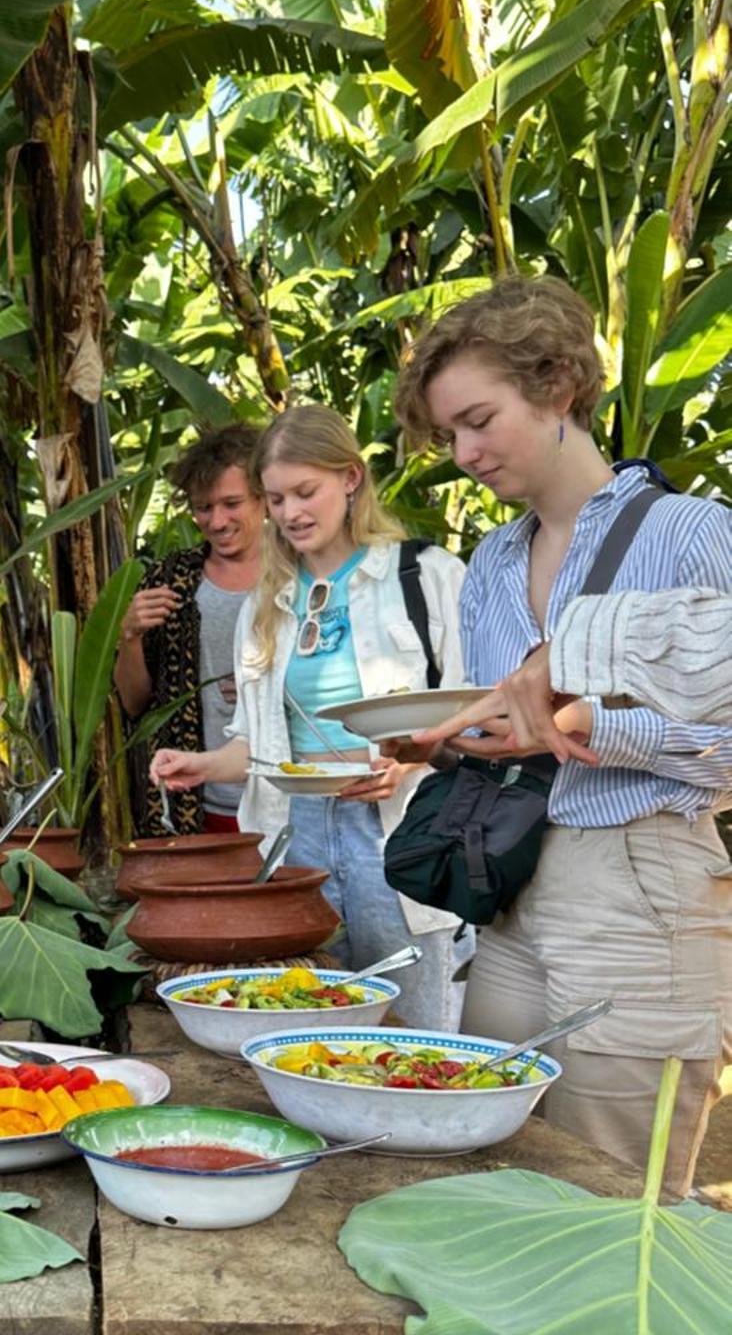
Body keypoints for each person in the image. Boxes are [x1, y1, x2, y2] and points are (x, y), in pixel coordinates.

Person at [394, 275, 732, 1335]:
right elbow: (512, 723)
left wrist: (585, 723)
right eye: (450, 436)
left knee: (637, 1197)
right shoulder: (485, 566)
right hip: (523, 886)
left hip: (645, 876)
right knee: (525, 1170)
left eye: (480, 421)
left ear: (556, 384)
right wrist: (449, 738)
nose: (468, 455)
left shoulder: (692, 536)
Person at [150, 405, 468, 1029]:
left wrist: (404, 766)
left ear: (350, 478)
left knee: (414, 1023)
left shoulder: (424, 576)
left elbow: (473, 718)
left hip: (399, 829)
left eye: (306, 491)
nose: (291, 512)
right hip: (297, 833)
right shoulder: (267, 604)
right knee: (309, 1021)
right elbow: (258, 747)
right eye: (276, 497)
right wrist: (201, 764)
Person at [114, 425, 264, 835]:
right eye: (203, 507)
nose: (217, 521)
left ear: (264, 497)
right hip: (193, 804)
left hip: (290, 799)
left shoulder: (304, 576)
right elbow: (133, 703)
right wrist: (130, 637)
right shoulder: (172, 580)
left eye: (232, 503)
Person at [413, 589, 732, 759]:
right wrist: (439, 749)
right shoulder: (491, 556)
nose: (466, 461)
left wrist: (585, 720)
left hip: (634, 849)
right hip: (500, 843)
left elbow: (721, 754)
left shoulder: (692, 525)